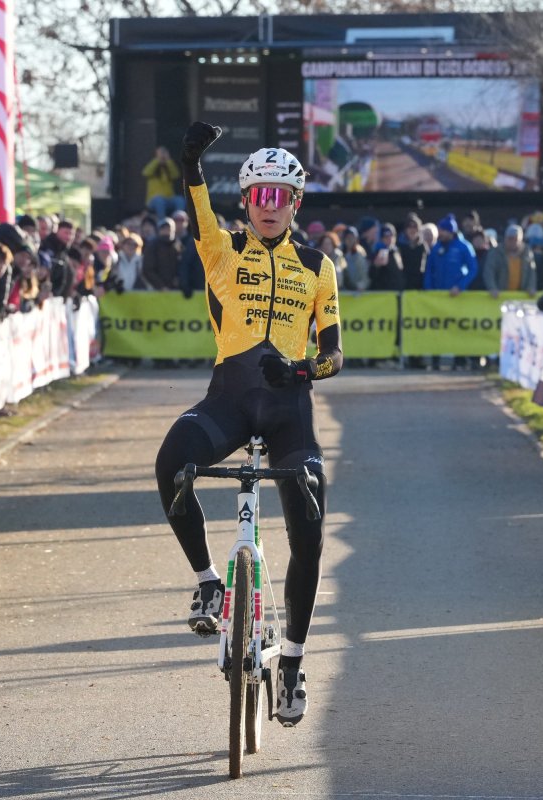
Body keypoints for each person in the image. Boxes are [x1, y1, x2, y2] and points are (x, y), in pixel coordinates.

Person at [155, 121, 342, 727]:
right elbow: (199, 211)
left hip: (289, 411)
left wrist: (300, 369)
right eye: (259, 194)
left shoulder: (318, 266)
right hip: (229, 402)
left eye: (280, 195)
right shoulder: (223, 251)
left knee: (309, 527)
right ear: (246, 200)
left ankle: (291, 659)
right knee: (170, 463)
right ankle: (210, 581)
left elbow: (334, 355)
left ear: (295, 202)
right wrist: (191, 164)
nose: (269, 205)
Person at [483, 224, 536, 295]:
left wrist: (531, 287)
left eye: (515, 239)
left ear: (520, 239)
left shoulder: (527, 253)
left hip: (520, 297)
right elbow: (489, 272)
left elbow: (531, 273)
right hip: (500, 296)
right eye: (509, 239)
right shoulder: (495, 252)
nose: (512, 242)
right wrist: (492, 288)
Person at [142, 145, 183, 221]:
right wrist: (158, 159)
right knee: (159, 200)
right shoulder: (153, 168)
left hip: (168, 199)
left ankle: (179, 222)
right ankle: (161, 222)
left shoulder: (168, 167)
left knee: (180, 200)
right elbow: (145, 172)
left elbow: (176, 175)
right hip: (154, 200)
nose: (162, 155)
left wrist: (168, 160)